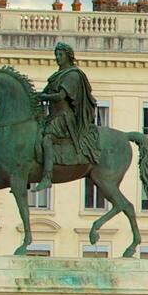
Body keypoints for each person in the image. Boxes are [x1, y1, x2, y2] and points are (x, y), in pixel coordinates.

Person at [30, 41, 101, 193]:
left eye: (60, 54)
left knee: (47, 139)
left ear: (68, 56)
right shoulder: (56, 76)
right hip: (52, 115)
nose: (57, 57)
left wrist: (44, 96)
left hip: (64, 117)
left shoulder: (72, 75)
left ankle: (47, 178)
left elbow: (61, 96)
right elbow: (46, 92)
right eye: (56, 54)